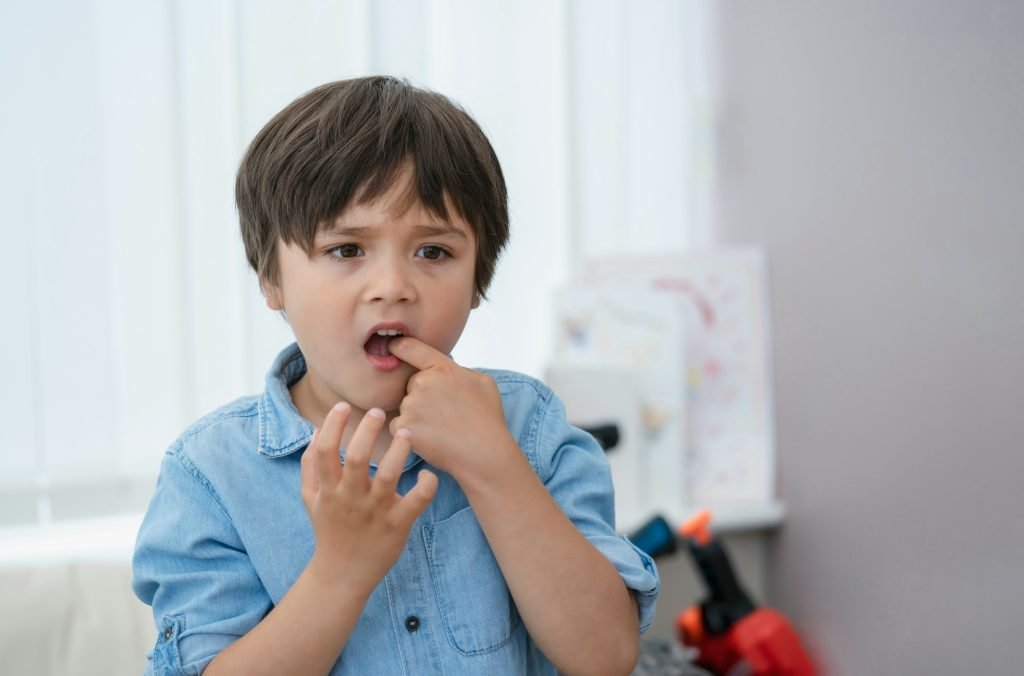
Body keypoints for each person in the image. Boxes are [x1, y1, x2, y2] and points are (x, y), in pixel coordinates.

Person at [132, 75, 659, 675]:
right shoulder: (211, 474)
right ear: (271, 281)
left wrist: (494, 466)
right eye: (347, 250)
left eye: (434, 252)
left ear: (478, 278)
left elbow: (606, 657)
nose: (393, 288)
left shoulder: (529, 427)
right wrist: (342, 569)